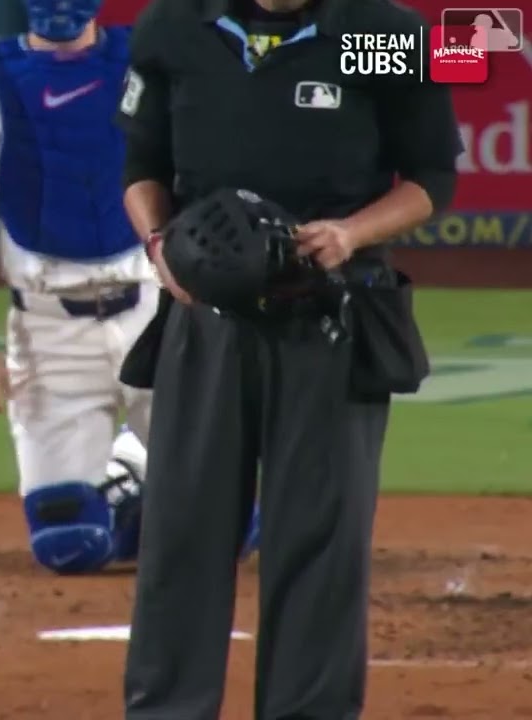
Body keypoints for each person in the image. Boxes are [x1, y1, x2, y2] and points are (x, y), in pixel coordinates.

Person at [113, 0, 462, 716]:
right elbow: (143, 165)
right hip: (205, 322)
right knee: (181, 531)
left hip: (331, 320)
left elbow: (432, 177)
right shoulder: (178, 27)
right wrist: (157, 244)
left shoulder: (376, 34)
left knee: (319, 540)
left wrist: (352, 233)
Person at [0, 0, 169, 575]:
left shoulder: (149, 64)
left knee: (226, 530)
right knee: (70, 543)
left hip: (154, 312)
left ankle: (135, 464)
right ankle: (130, 477)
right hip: (48, 329)